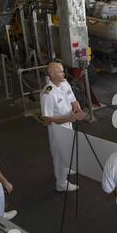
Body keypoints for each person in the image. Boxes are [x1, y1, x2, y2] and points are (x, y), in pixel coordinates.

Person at [40, 62, 85, 192]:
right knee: (60, 155)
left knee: (68, 149)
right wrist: (68, 118)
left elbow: (72, 99)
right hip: (57, 129)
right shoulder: (47, 94)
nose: (63, 74)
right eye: (60, 72)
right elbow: (47, 120)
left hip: (68, 122)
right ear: (52, 74)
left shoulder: (64, 83)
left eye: (63, 71)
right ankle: (61, 183)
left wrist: (77, 109)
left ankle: (66, 169)